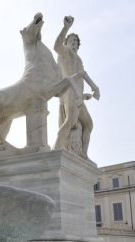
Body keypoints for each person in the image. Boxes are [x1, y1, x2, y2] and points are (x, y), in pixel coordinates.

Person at [53, 16, 100, 161]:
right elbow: (56, 46)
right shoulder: (65, 51)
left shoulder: (78, 59)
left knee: (88, 124)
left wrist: (84, 94)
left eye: (76, 41)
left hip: (78, 96)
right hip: (69, 92)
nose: (74, 42)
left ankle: (84, 155)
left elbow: (79, 78)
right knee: (70, 122)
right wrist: (66, 28)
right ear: (66, 42)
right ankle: (55, 151)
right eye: (71, 40)